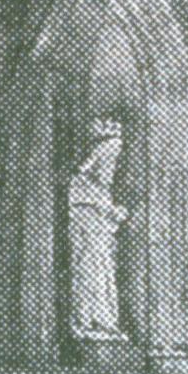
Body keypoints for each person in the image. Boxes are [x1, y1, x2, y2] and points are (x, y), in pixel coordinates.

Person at [68, 119, 130, 341]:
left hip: (99, 246)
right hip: (89, 246)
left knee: (102, 271)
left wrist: (113, 213)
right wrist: (112, 213)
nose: (111, 168)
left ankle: (104, 320)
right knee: (89, 271)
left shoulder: (99, 189)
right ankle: (89, 321)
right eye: (109, 162)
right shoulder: (82, 185)